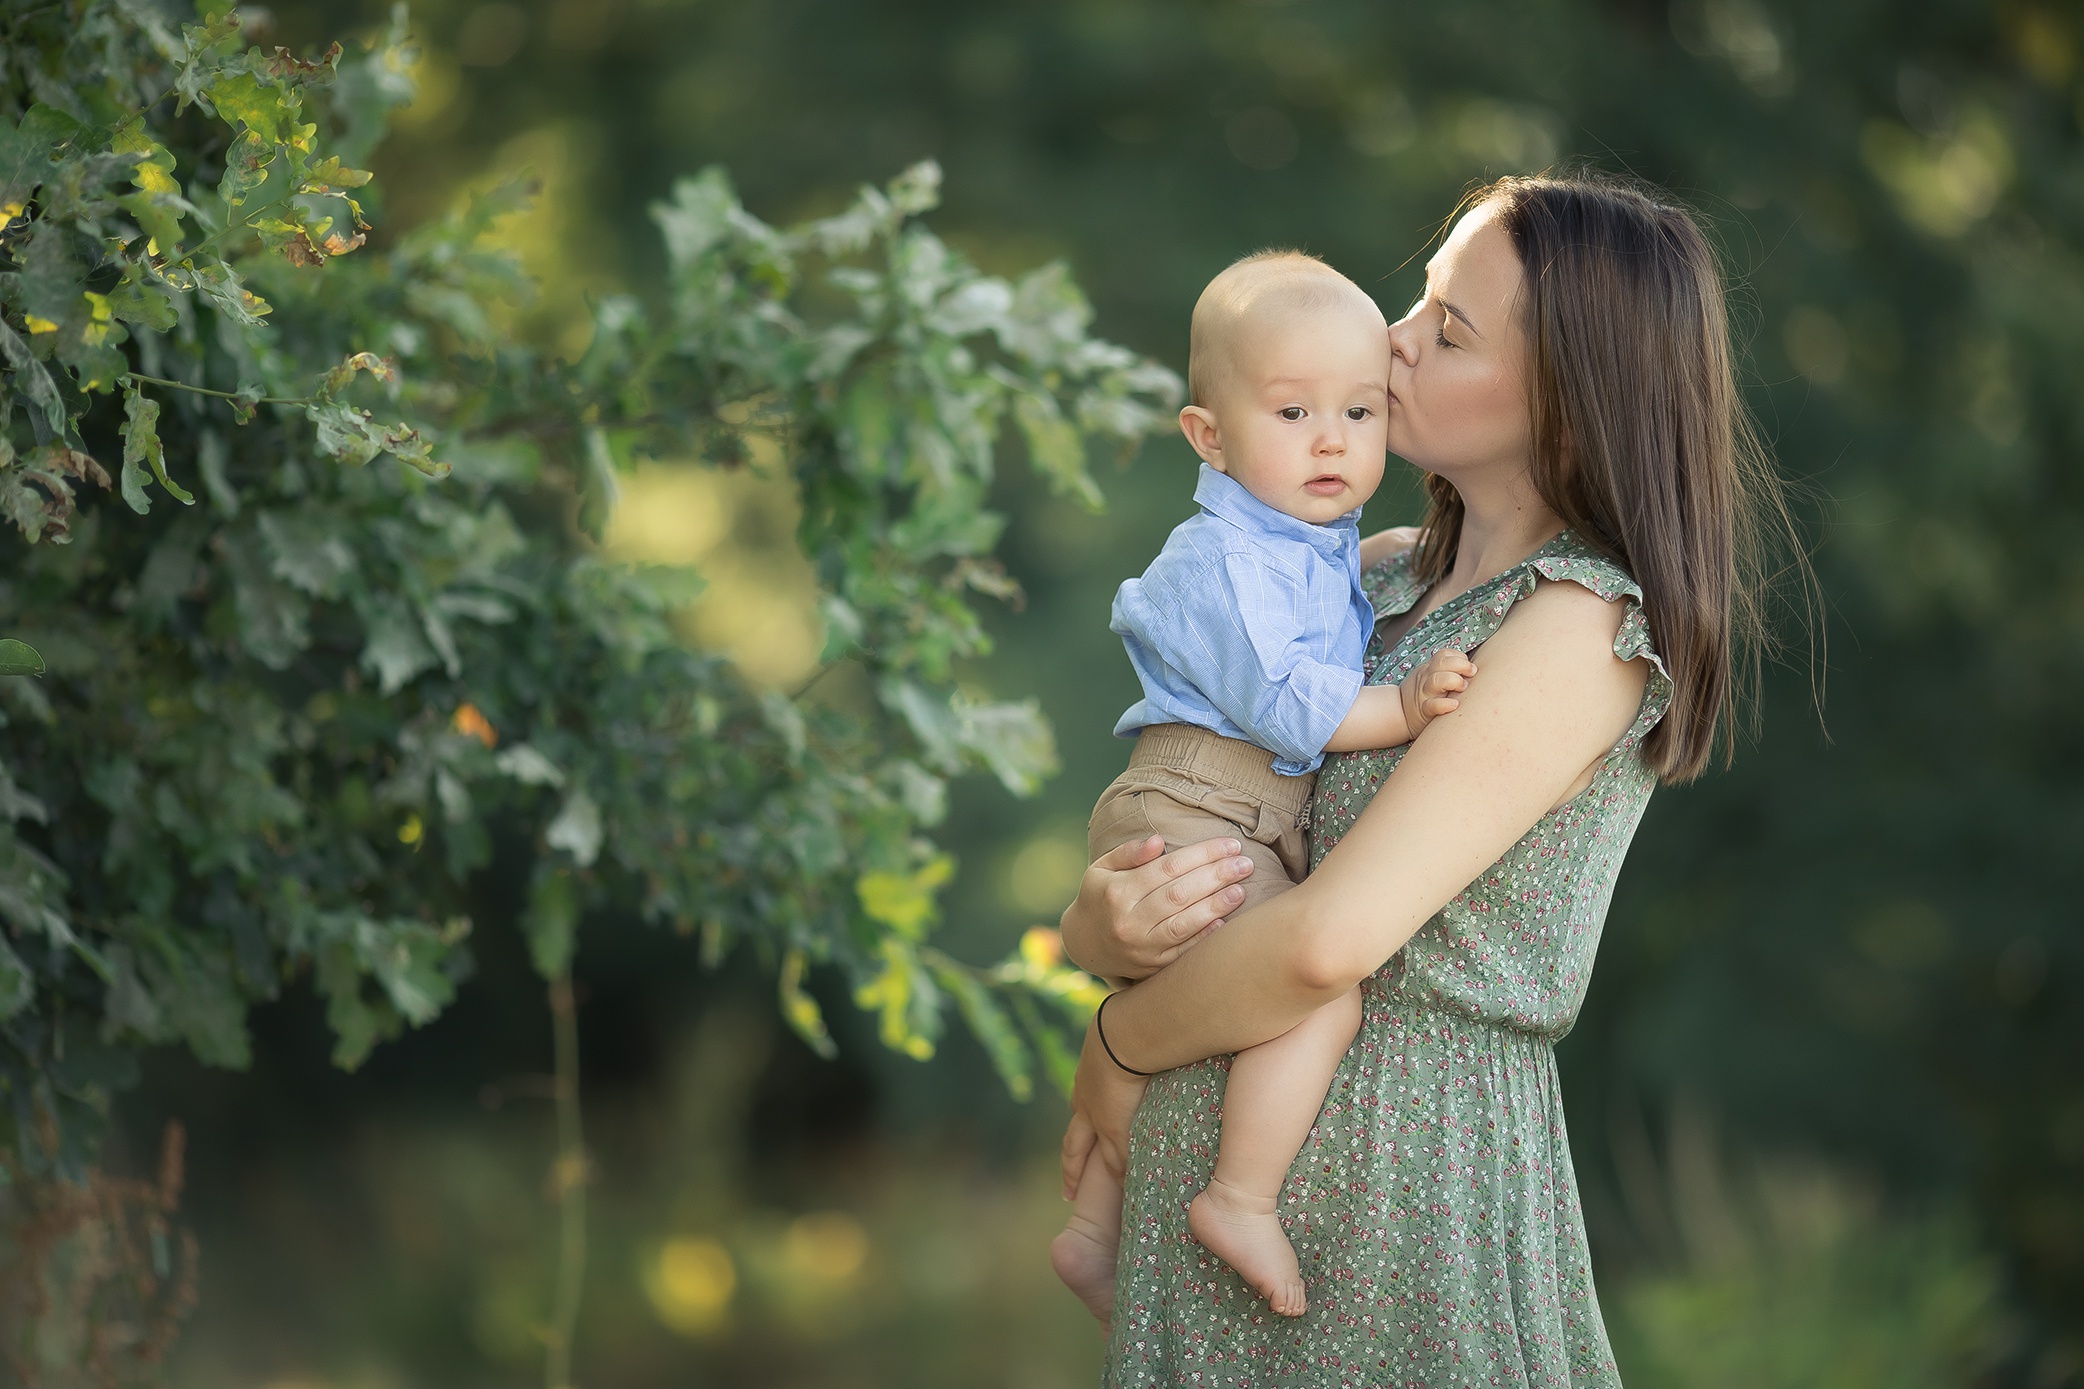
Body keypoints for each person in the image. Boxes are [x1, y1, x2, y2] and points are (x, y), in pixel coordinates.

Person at [1056, 171, 1795, 1385]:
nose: (1387, 345)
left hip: (1391, 1201)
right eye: (1417, 304)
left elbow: (1322, 942)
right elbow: (1214, 807)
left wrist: (1119, 1048)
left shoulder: (1571, 630)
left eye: (1445, 331)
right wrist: (1101, 920)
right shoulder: (1374, 579)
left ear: (1568, 407)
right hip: (1219, 1188)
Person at [1052, 250, 1476, 1325]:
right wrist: (1410, 704)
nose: (1332, 438)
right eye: (1292, 412)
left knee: (1170, 1007)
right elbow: (1300, 708)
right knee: (1312, 995)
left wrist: (1388, 550)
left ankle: (1089, 1230)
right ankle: (1237, 1198)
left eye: (1359, 410)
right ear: (1209, 436)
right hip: (1202, 800)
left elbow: (1337, 578)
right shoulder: (1220, 562)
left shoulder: (1305, 539)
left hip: (1226, 808)